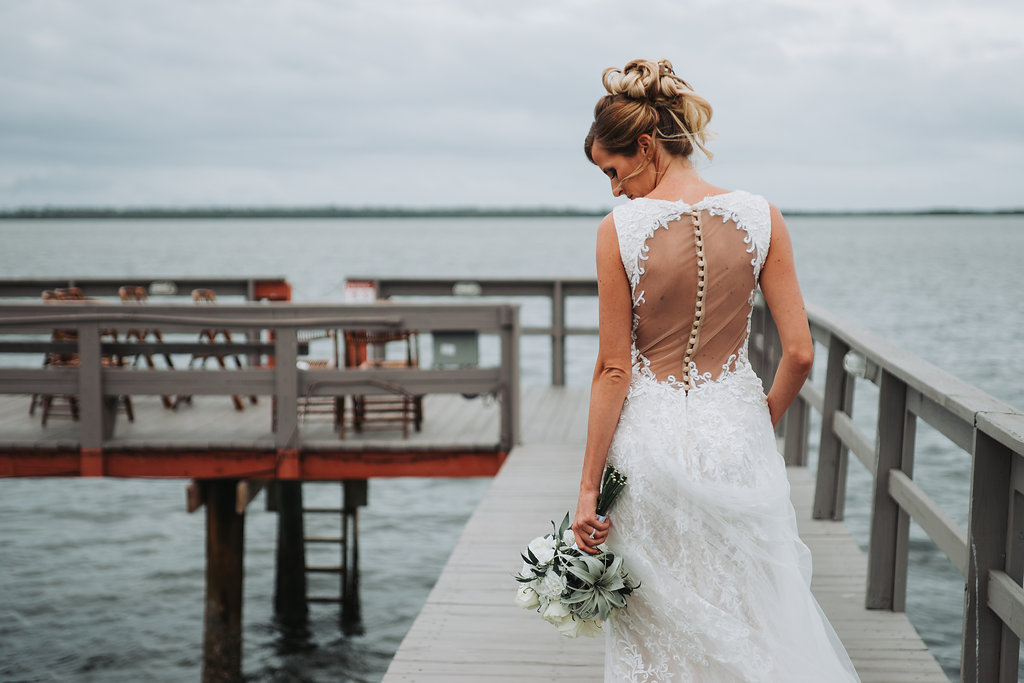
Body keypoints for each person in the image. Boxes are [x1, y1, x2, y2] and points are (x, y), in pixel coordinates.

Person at [571, 58, 861, 682]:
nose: (615, 189)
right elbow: (801, 353)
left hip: (649, 446)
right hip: (736, 439)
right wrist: (759, 419)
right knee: (752, 612)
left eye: (614, 171)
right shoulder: (762, 216)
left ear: (645, 147)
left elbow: (614, 370)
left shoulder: (618, 231)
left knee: (655, 633)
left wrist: (588, 488)